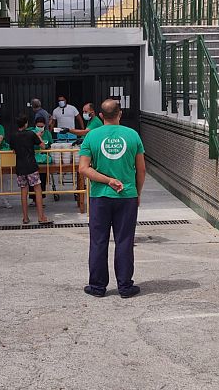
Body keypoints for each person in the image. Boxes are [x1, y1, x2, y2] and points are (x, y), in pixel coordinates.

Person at [78, 99, 145, 299]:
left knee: (98, 241)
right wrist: (137, 193)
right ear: (120, 113)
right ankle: (125, 286)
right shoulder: (132, 135)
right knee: (124, 241)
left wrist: (107, 181)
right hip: (127, 195)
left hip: (100, 196)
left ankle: (97, 287)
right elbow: (141, 169)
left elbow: (83, 168)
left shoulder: (91, 137)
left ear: (100, 116)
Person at [9, 115, 53, 225]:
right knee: (37, 190)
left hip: (20, 167)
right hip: (31, 166)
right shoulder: (30, 134)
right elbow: (43, 146)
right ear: (26, 124)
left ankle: (25, 218)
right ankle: (41, 217)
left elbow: (13, 150)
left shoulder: (13, 136)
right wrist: (39, 137)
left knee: (23, 192)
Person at [29, 116, 53, 205]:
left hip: (43, 159)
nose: (40, 128)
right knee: (32, 179)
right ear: (35, 125)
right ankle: (33, 198)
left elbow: (50, 145)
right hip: (33, 159)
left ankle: (40, 199)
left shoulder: (47, 133)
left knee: (42, 179)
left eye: (41, 126)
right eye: (38, 126)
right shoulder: (31, 132)